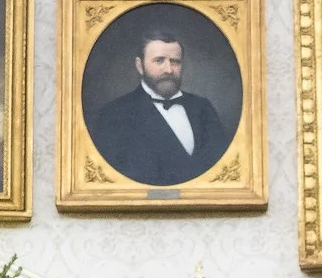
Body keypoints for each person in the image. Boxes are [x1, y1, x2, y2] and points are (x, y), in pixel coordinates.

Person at [87, 26, 231, 187]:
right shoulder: (113, 115)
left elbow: (221, 171)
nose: (168, 69)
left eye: (175, 62)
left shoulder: (203, 108)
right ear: (140, 65)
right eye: (159, 60)